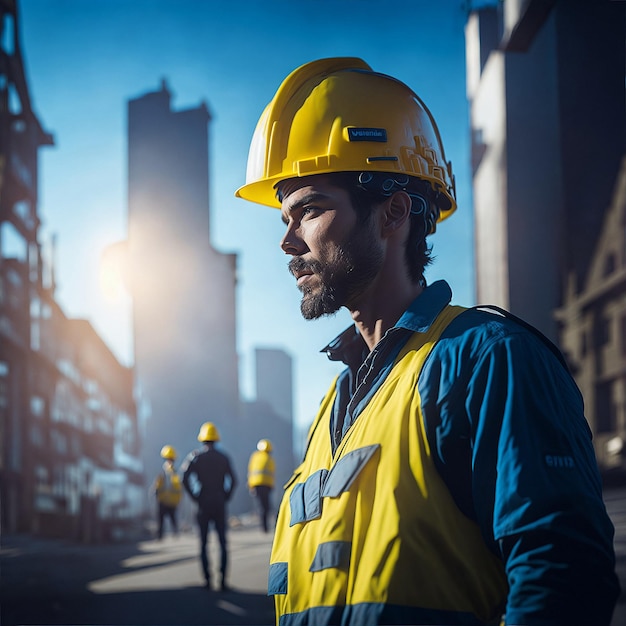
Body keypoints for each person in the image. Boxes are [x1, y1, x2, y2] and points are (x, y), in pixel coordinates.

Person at [235, 57, 620, 625]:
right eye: (285, 220)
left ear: (392, 213)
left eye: (309, 210)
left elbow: (560, 578)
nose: (288, 242)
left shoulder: (487, 359)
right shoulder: (333, 407)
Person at [181, 421, 237, 591]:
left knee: (204, 543)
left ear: (202, 440)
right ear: (216, 439)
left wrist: (195, 497)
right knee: (222, 542)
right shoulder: (224, 457)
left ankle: (207, 580)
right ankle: (223, 582)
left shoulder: (196, 457)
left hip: (203, 503)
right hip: (219, 502)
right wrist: (225, 497)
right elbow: (233, 480)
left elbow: (184, 477)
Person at [153, 444, 182, 540]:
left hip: (168, 500)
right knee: (163, 519)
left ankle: (172, 533)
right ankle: (161, 535)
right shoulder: (169, 472)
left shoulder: (171, 472)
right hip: (166, 499)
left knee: (169, 518)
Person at [247, 438, 276, 533]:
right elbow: (272, 473)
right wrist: (272, 486)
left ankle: (263, 526)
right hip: (266, 486)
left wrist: (250, 485)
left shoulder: (254, 457)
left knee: (261, 506)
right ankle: (265, 527)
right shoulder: (270, 459)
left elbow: (250, 471)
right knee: (266, 507)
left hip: (256, 485)